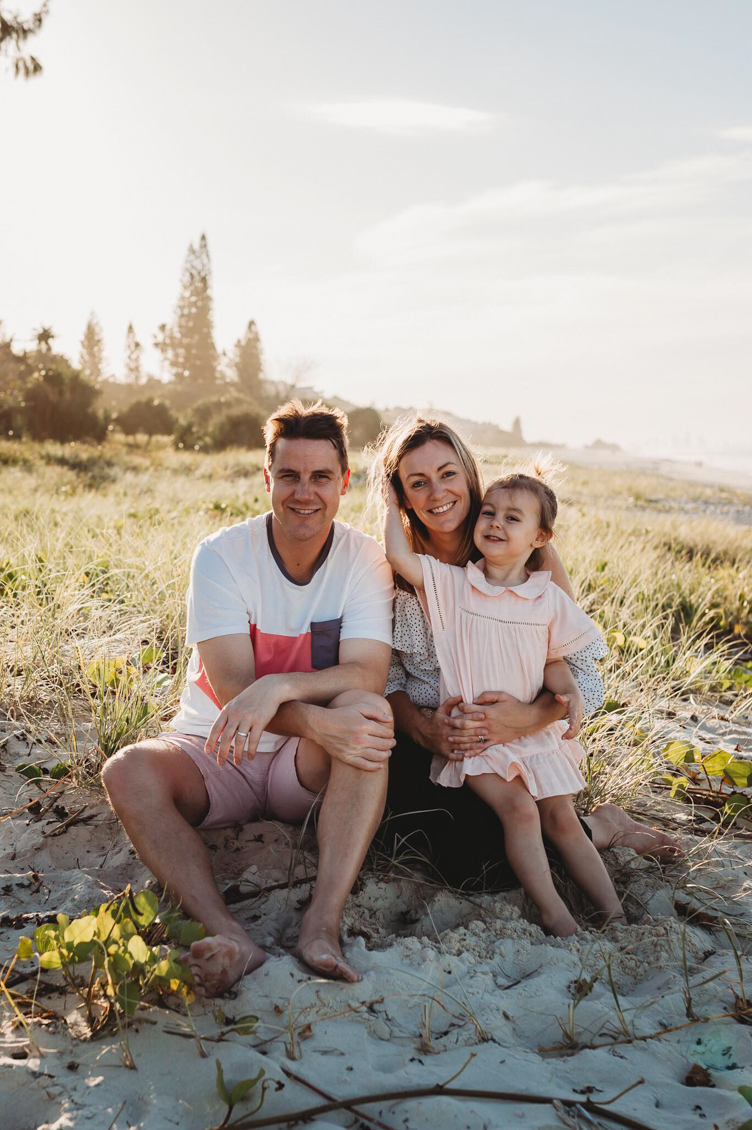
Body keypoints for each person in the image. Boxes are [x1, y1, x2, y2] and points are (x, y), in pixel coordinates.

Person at [102, 400, 395, 993]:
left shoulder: (365, 559)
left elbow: (367, 671)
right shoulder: (221, 555)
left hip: (298, 769)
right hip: (217, 750)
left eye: (319, 477)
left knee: (369, 714)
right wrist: (306, 716)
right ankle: (229, 934)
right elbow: (233, 686)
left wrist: (282, 687)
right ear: (268, 479)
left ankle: (321, 923)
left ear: (344, 483)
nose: (303, 492)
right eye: (288, 475)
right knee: (126, 770)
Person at [369, 416, 680, 892]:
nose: (437, 493)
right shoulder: (393, 566)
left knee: (493, 862)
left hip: (514, 743)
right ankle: (588, 830)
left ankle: (604, 826)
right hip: (431, 743)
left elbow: (582, 678)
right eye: (418, 482)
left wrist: (525, 719)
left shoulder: (522, 553)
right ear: (401, 495)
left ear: (470, 475)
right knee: (435, 854)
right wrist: (423, 728)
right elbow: (383, 677)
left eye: (448, 474)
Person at [384, 466, 625, 936]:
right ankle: (553, 910)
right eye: (489, 513)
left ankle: (612, 911)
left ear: (540, 537)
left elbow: (554, 660)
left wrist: (568, 692)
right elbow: (398, 554)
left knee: (560, 817)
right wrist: (389, 501)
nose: (495, 523)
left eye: (513, 519)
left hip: (533, 735)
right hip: (478, 738)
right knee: (518, 811)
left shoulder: (547, 599)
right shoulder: (452, 586)